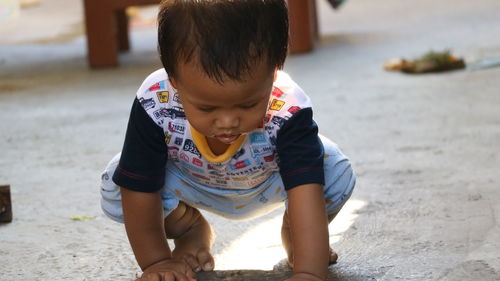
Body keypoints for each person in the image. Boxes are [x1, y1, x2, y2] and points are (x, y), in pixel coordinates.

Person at [100, 0, 355, 280]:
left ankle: (296, 233)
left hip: (268, 180)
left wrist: (309, 272)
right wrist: (156, 262)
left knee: (334, 170)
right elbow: (140, 187)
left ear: (274, 72)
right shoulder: (154, 102)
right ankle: (189, 228)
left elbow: (305, 188)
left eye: (247, 105)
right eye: (207, 108)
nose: (227, 122)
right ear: (174, 80)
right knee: (119, 180)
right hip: (191, 180)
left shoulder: (289, 108)